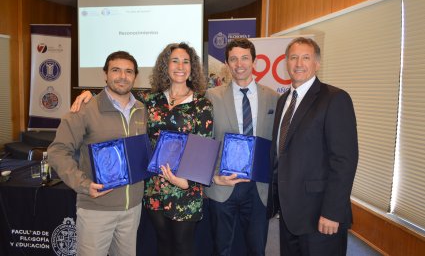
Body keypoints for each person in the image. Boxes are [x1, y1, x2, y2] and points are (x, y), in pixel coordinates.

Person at [71, 43, 213, 256]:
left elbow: (205, 147)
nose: (180, 66)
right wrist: (88, 93)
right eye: (175, 60)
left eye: (186, 61)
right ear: (166, 65)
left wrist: (186, 181)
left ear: (192, 68)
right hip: (153, 187)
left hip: (185, 187)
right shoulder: (151, 100)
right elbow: (118, 90)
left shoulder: (202, 105)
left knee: (183, 247)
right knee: (162, 243)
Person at [48, 51, 147, 256]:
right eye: (116, 70)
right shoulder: (85, 109)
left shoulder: (141, 109)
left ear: (135, 76)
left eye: (129, 71)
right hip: (96, 208)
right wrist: (83, 184)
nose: (122, 76)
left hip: (132, 209)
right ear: (105, 74)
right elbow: (57, 151)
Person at [267, 37, 358, 256]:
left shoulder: (335, 99)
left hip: (320, 215)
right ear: (286, 63)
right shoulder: (283, 101)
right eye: (293, 57)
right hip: (288, 213)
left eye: (306, 57)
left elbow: (344, 160)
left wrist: (332, 212)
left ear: (317, 63)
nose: (299, 63)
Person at [204, 38, 279, 256]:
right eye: (233, 59)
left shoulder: (274, 98)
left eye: (245, 58)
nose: (239, 64)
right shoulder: (211, 97)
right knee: (222, 249)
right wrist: (212, 177)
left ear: (254, 61)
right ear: (226, 64)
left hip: (258, 188)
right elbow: (205, 140)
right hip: (222, 185)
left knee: (257, 249)